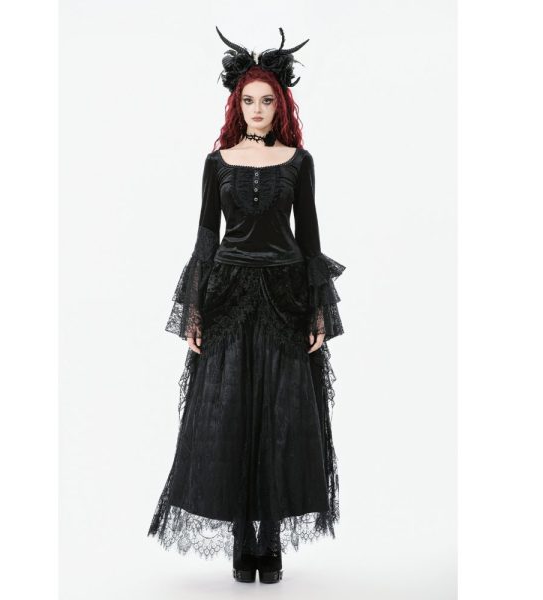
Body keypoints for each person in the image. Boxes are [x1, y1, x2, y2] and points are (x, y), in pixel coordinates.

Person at [147, 26, 346, 585]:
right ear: (237, 105)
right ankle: (241, 537)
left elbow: (310, 238)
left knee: (283, 414)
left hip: (285, 294)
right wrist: (193, 311)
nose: (257, 109)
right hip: (228, 294)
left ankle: (271, 538)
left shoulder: (300, 161)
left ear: (280, 105)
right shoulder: (217, 162)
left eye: (266, 101)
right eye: (249, 101)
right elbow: (206, 238)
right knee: (228, 412)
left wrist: (318, 311)